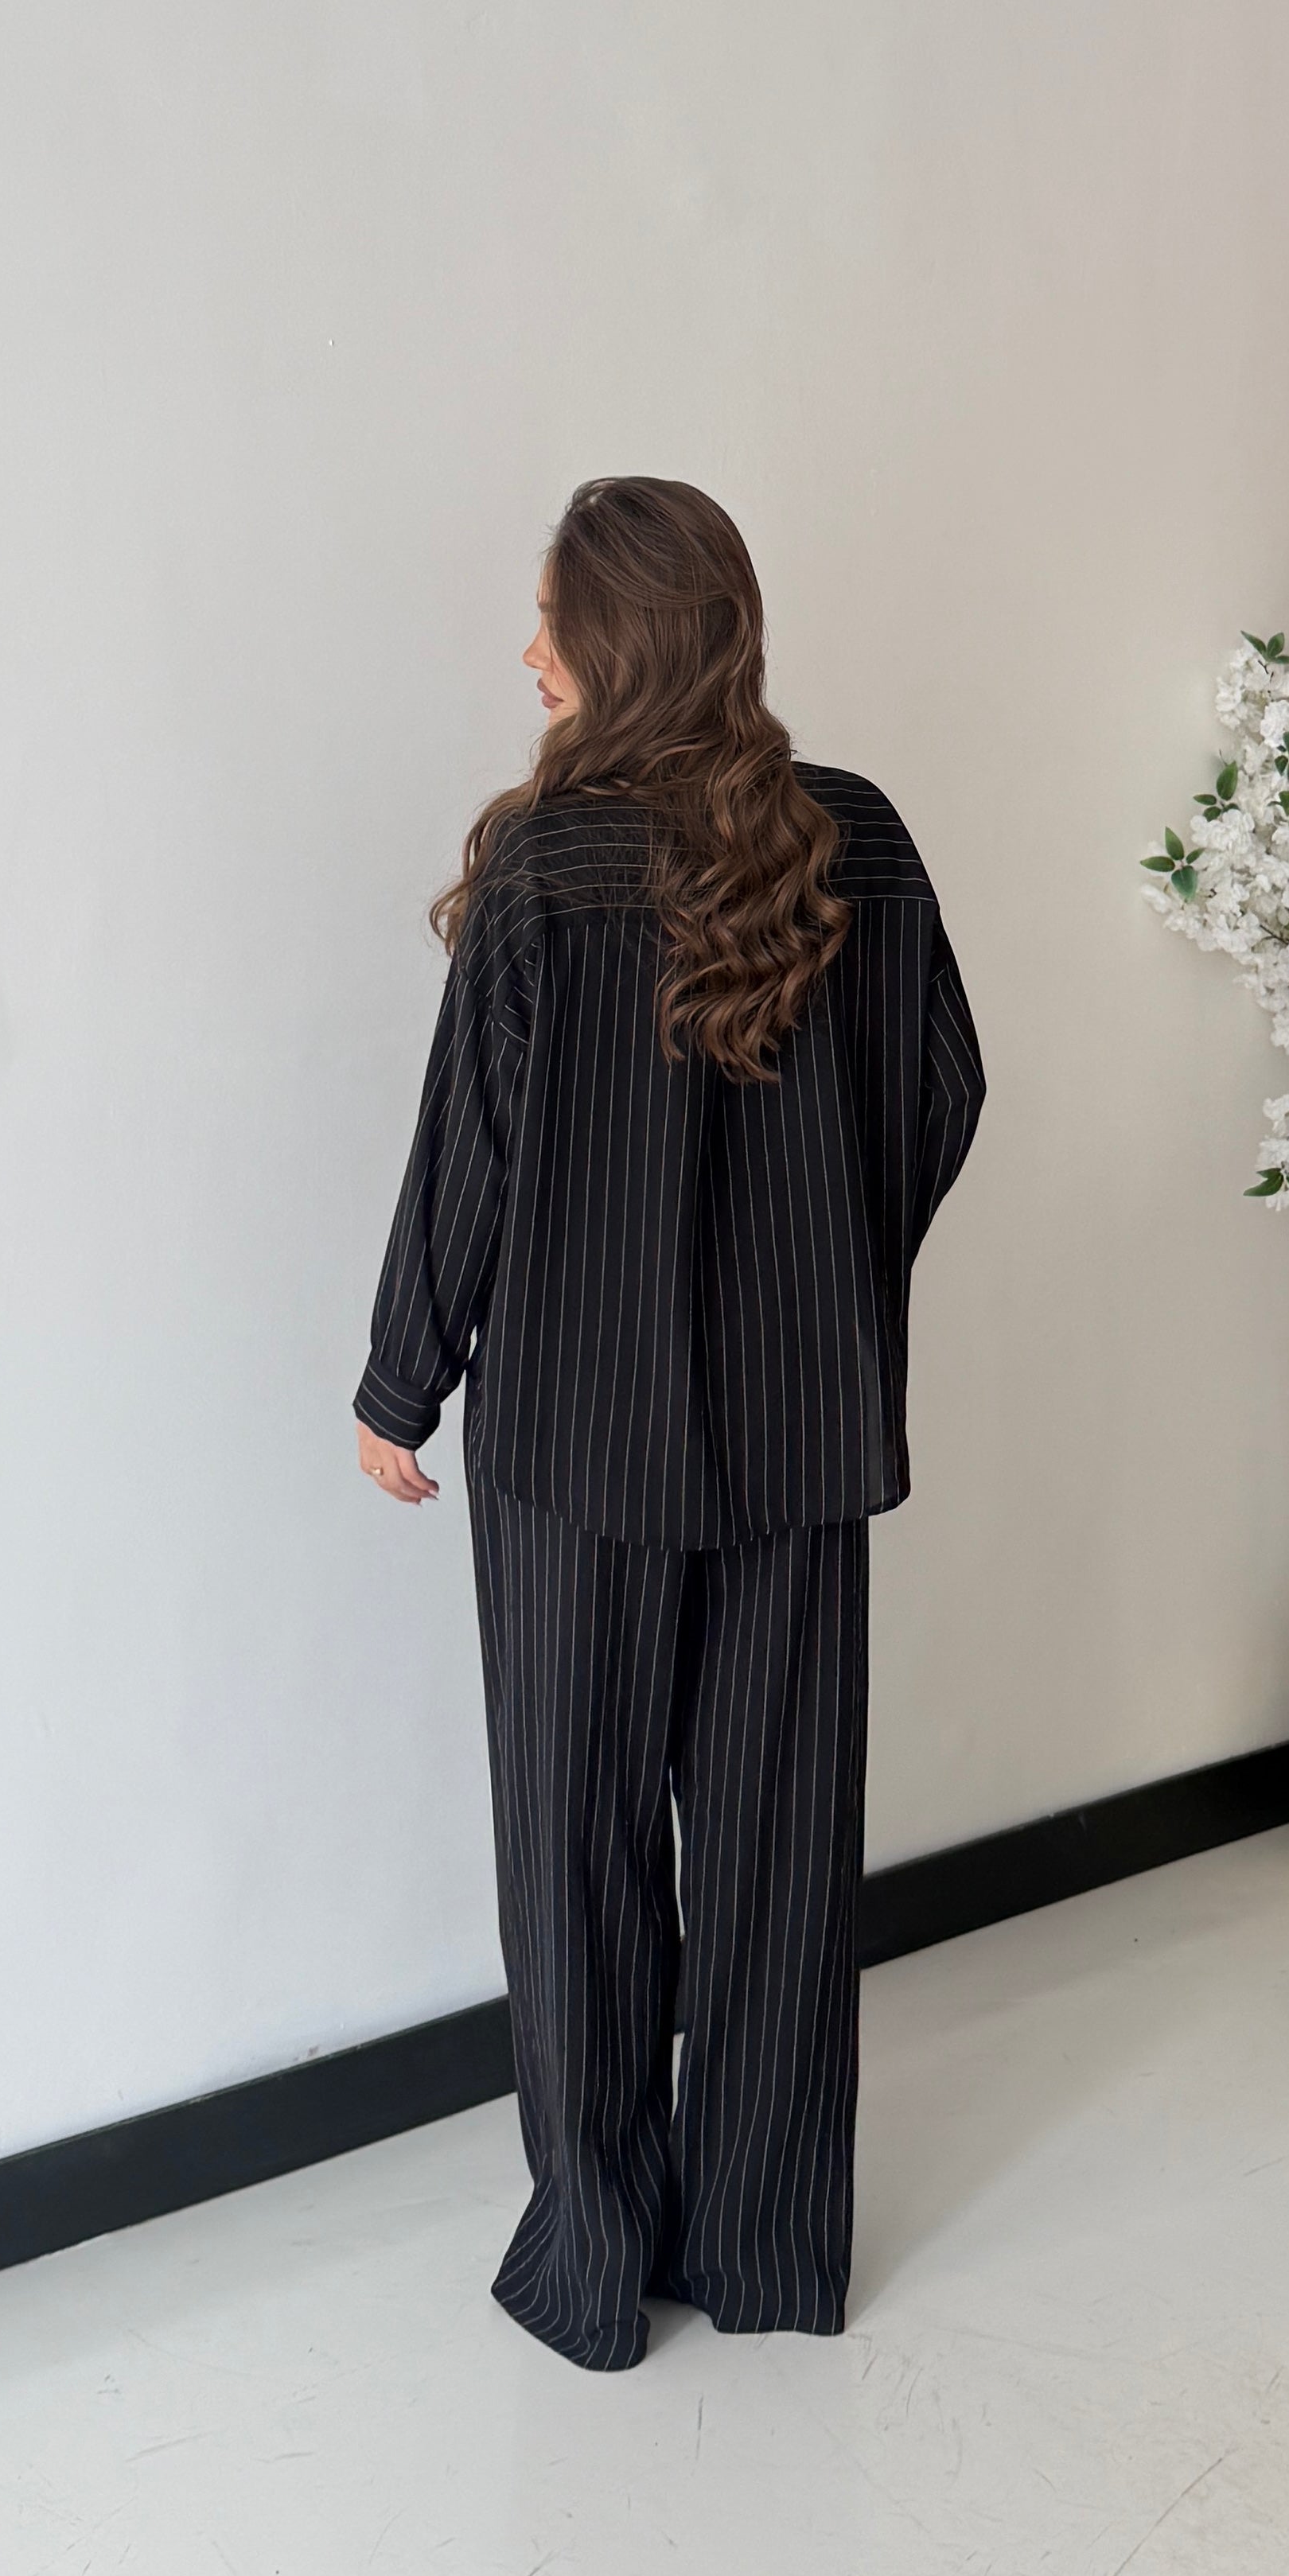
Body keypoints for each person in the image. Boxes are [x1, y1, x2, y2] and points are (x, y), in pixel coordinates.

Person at [354, 477, 983, 2372]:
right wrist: (830, 1273)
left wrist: (403, 1379)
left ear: (618, 640)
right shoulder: (859, 841)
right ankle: (770, 2252)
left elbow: (468, 1148)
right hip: (804, 1432)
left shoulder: (548, 865)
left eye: (550, 622)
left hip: (576, 1440)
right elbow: (944, 1093)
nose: (528, 654)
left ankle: (595, 2259)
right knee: (783, 1852)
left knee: (579, 1851)